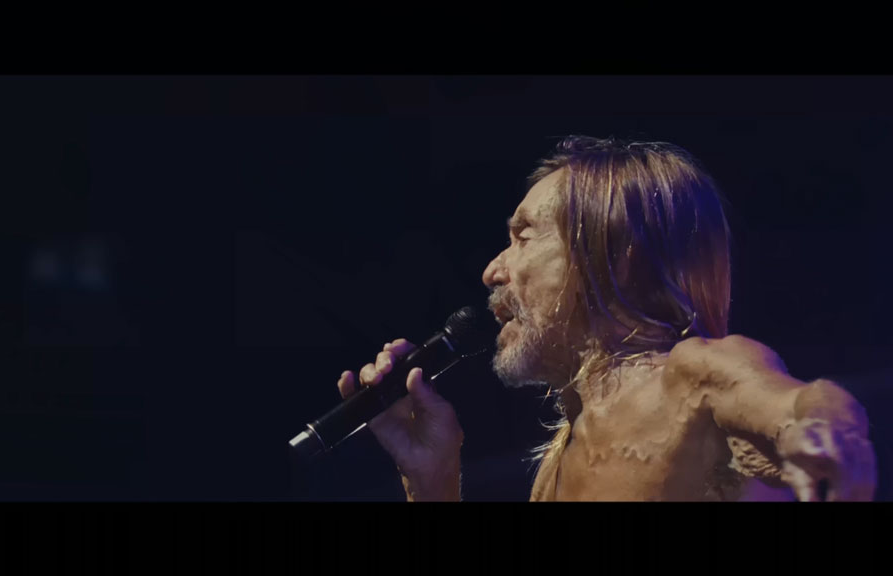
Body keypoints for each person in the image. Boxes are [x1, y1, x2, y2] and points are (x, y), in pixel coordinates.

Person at [336, 136, 877, 501]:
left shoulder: (691, 377)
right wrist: (431, 479)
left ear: (613, 256)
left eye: (523, 236)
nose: (492, 270)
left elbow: (797, 403)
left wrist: (824, 434)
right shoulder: (556, 460)